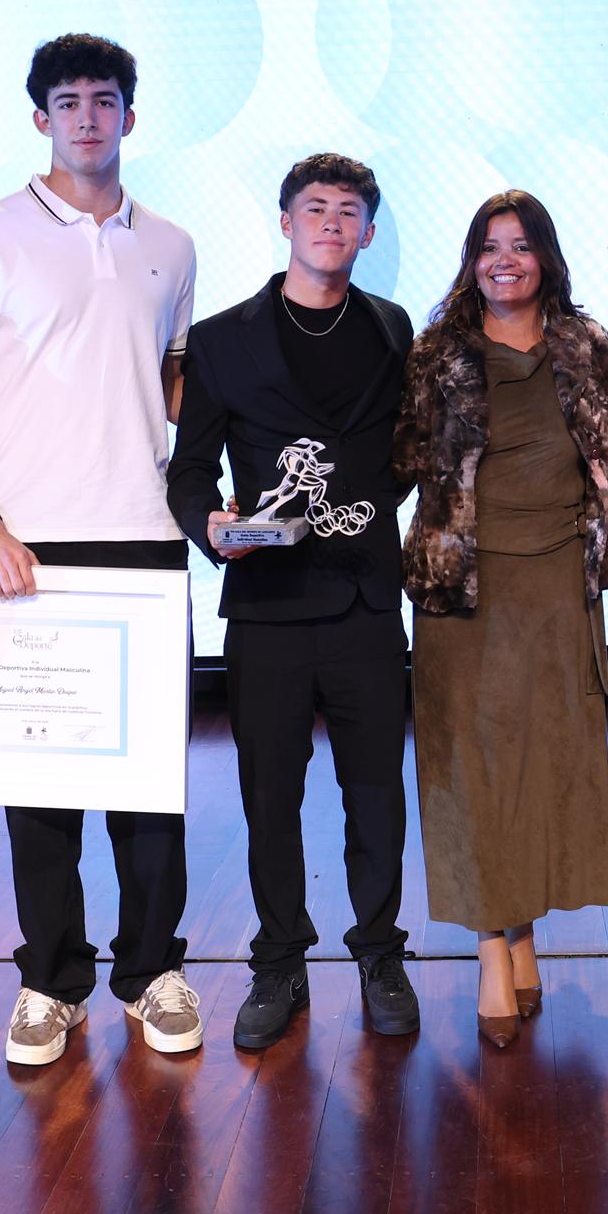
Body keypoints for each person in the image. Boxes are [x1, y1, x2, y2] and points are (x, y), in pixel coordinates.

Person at [0, 32, 205, 1066]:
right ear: (38, 117)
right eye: (67, 100)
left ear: (130, 115)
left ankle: (150, 969)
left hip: (143, 533)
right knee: (36, 778)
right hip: (25, 545)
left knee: (146, 777)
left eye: (104, 99)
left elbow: (177, 390)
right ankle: (51, 979)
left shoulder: (170, 244)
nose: (87, 116)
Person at [165, 152, 420, 1050]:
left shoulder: (392, 330)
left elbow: (414, 452)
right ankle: (278, 962)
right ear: (283, 221)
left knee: (376, 792)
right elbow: (190, 465)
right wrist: (211, 524)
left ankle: (380, 953)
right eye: (315, 208)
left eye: (349, 211)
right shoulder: (225, 337)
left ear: (369, 231)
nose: (331, 223)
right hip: (267, 600)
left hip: (363, 600)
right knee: (268, 794)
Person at [395, 189, 608, 1049]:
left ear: (545, 258)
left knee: (544, 764)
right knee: (474, 770)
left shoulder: (586, 344)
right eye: (489, 246)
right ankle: (493, 951)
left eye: (521, 245)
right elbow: (397, 460)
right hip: (464, 593)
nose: (504, 260)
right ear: (469, 258)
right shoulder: (435, 352)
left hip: (561, 584)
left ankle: (525, 933)